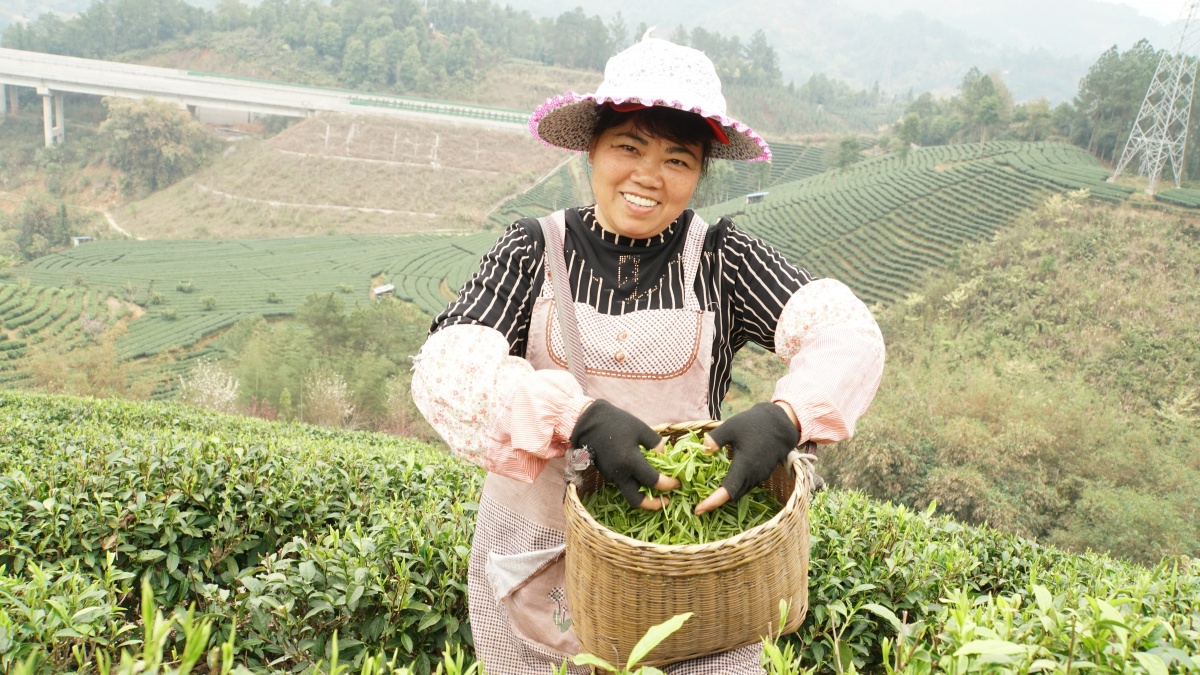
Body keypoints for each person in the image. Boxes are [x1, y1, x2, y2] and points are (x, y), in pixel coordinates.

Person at [411, 33, 885, 675]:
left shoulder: (724, 258)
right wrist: (574, 418)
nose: (648, 177)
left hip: (690, 563)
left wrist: (786, 416)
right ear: (592, 151)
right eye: (628, 147)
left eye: (678, 159)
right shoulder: (530, 250)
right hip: (543, 551)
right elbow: (449, 364)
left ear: (699, 174)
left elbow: (846, 333)